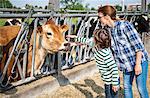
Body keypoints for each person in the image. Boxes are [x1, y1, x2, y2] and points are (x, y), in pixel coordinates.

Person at [97, 5, 149, 98]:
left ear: (107, 17)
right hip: (126, 65)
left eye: (99, 17)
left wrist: (138, 64)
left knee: (141, 88)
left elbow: (138, 46)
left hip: (139, 60)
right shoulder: (108, 30)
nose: (99, 20)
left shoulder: (124, 25)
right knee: (126, 87)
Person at [67, 28, 120, 98]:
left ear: (97, 42)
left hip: (112, 80)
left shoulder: (105, 54)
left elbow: (114, 69)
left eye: (93, 37)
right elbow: (86, 41)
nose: (92, 38)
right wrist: (75, 38)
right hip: (107, 80)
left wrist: (115, 84)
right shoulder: (96, 45)